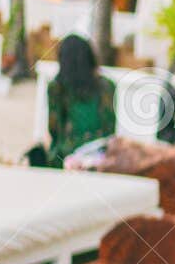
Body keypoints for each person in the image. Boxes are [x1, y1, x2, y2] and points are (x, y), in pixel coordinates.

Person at [34, 34, 116, 167]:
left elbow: (54, 129)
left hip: (65, 156)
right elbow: (110, 127)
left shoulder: (57, 88)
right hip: (101, 156)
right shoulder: (107, 86)